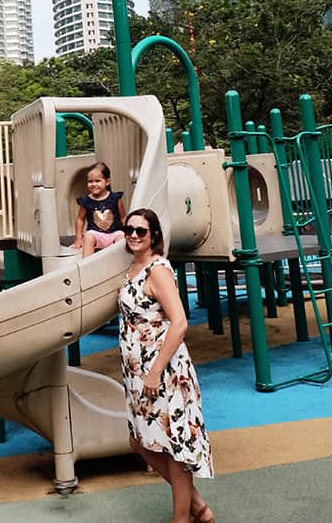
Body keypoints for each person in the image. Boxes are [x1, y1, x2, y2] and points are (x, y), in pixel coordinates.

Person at [119, 207, 215, 523]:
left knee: (173, 445)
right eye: (129, 229)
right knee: (139, 441)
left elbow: (180, 323)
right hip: (137, 371)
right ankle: (197, 506)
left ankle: (181, 518)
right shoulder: (133, 267)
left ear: (154, 236)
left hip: (163, 370)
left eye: (141, 231)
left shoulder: (157, 269)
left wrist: (156, 370)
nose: (133, 235)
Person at [72, 162, 126, 256]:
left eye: (97, 181)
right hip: (96, 234)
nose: (93, 184)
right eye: (90, 181)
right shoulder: (86, 201)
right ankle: (87, 264)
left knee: (121, 239)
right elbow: (80, 219)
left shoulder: (115, 198)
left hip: (114, 233)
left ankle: (120, 265)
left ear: (107, 181)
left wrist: (128, 232)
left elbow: (123, 217)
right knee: (88, 237)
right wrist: (78, 238)